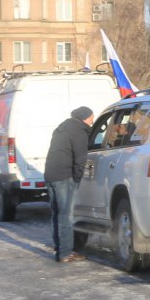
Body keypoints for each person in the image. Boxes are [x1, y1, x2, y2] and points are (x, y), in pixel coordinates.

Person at [44, 106, 94, 263]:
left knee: (57, 214)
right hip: (64, 176)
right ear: (85, 117)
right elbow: (80, 158)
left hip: (51, 174)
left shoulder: (63, 127)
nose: (93, 120)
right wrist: (77, 178)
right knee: (66, 215)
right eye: (92, 117)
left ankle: (60, 248)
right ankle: (66, 253)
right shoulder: (79, 131)